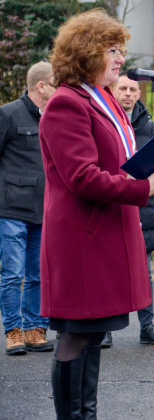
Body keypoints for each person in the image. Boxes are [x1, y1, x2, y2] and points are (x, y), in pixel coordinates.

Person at [39, 9, 154, 418]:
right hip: (82, 238)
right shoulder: (67, 103)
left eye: (122, 49)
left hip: (107, 230)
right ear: (87, 53)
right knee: (77, 334)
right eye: (112, 49)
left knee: (93, 331)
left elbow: (118, 160)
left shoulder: (102, 100)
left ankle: (87, 414)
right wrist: (143, 187)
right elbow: (82, 176)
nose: (121, 58)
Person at [0, 62, 55, 356]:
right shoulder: (7, 114)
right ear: (41, 85)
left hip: (43, 210)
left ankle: (35, 328)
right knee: (12, 273)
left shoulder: (53, 118)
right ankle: (13, 330)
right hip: (11, 211)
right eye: (56, 83)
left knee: (38, 273)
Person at [108, 73, 154, 346]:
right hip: (110, 203)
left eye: (133, 89)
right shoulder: (105, 121)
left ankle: (148, 326)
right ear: (113, 90)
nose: (128, 93)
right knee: (107, 269)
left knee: (144, 272)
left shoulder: (150, 128)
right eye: (123, 88)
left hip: (142, 207)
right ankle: (103, 329)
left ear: (140, 94)